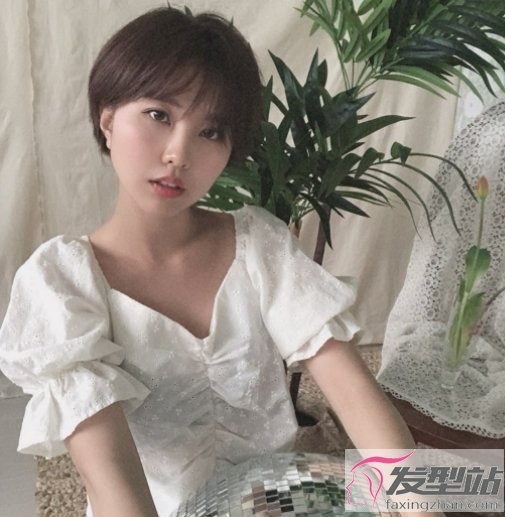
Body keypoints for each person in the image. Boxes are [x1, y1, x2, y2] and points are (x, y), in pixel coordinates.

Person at [0, 6, 427, 517]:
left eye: (211, 131)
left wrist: (418, 508)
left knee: (451, 489)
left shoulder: (259, 245)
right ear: (107, 117)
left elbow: (352, 390)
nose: (178, 154)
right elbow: (111, 480)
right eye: (159, 115)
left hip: (277, 501)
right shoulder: (62, 283)